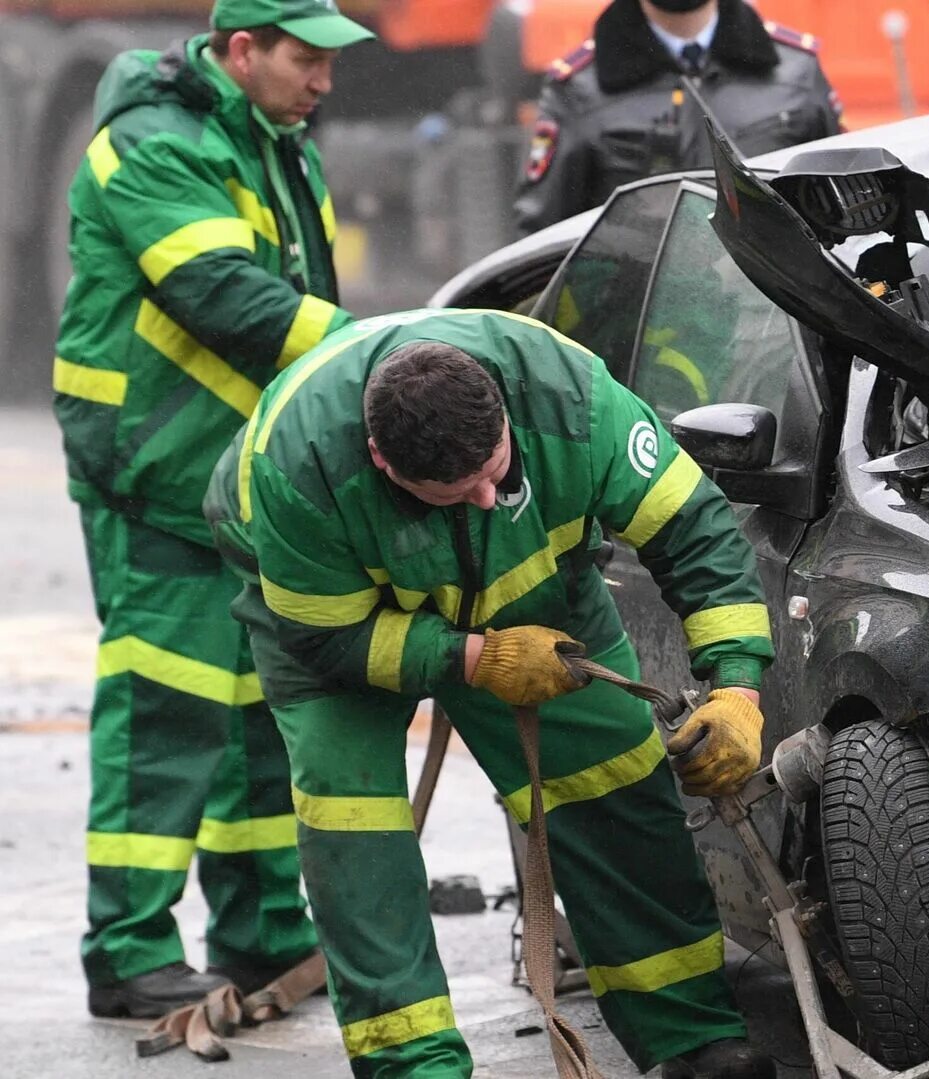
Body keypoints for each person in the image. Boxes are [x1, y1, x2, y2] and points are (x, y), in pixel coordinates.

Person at [203, 308, 777, 1079]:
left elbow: (695, 532)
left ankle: (693, 1035)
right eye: (453, 490)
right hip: (337, 615)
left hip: (538, 586)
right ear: (381, 458)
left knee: (613, 774)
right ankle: (415, 1062)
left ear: (505, 414)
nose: (483, 497)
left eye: (496, 471)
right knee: (354, 819)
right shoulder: (295, 473)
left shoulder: (572, 402)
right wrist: (472, 657)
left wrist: (737, 687)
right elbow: (328, 640)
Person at [52, 0, 370, 1018]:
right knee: (166, 716)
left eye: (330, 63)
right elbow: (230, 298)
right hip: (155, 471)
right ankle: (130, 951)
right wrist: (378, 352)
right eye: (304, 60)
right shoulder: (153, 144)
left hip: (238, 480)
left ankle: (263, 928)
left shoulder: (279, 144)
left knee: (254, 719)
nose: (323, 83)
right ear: (242, 52)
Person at [511, 0, 841, 234]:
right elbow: (542, 234)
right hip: (642, 316)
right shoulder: (579, 90)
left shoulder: (796, 70)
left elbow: (843, 205)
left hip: (780, 315)